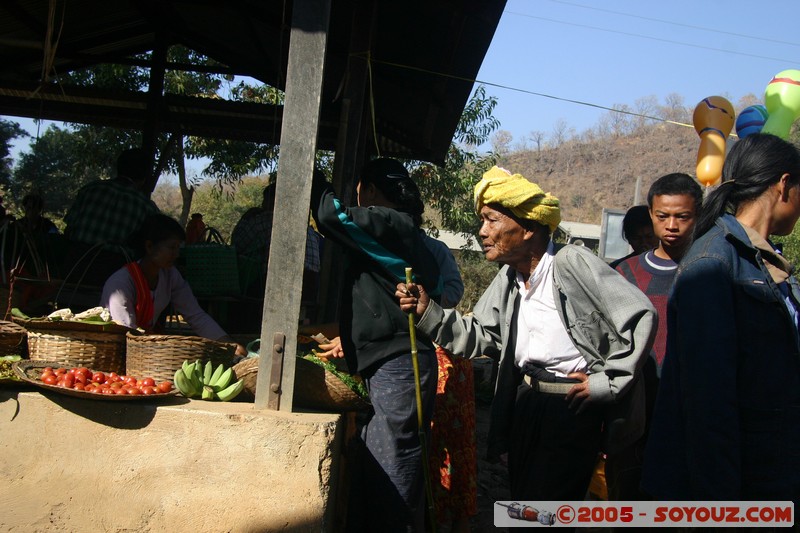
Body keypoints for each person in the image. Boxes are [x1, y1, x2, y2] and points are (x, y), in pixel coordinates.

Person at [397, 166, 656, 503]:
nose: (482, 232)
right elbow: (482, 335)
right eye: (483, 221)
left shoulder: (571, 262)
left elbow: (640, 315)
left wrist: (607, 382)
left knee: (548, 507)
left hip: (569, 408)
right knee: (522, 500)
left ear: (529, 227)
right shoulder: (510, 279)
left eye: (492, 220)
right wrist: (428, 312)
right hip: (526, 402)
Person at [642, 133, 800, 502]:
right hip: (736, 486)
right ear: (784, 184)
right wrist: (722, 508)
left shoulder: (760, 260)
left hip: (768, 470)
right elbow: (707, 400)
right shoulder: (713, 263)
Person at [310, 158, 441, 532]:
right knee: (378, 462)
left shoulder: (388, 223)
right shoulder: (400, 231)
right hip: (391, 365)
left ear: (368, 190)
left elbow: (331, 215)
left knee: (392, 469)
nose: (357, 201)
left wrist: (310, 166)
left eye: (359, 193)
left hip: (400, 364)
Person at [608, 172, 702, 500]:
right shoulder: (623, 274)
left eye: (682, 216)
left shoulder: (709, 272)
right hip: (634, 417)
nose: (671, 226)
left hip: (689, 420)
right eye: (663, 216)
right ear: (651, 214)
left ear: (698, 215)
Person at [100, 213, 245, 353]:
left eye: (178, 248)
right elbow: (126, 330)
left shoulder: (170, 276)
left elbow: (195, 314)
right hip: (118, 348)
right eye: (172, 247)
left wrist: (228, 343)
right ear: (149, 246)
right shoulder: (121, 284)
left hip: (143, 348)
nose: (176, 254)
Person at [64, 148, 160, 284]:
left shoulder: (90, 190)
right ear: (144, 177)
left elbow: (68, 230)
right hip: (115, 275)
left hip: (75, 268)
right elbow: (149, 249)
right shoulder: (146, 207)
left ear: (118, 168)